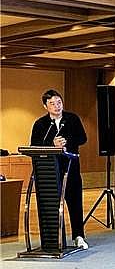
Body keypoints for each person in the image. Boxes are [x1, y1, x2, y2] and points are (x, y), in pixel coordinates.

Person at [30, 89, 89, 250]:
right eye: (52, 103)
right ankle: (55, 239)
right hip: (49, 172)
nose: (57, 106)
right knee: (52, 206)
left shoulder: (72, 119)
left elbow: (83, 138)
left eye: (59, 102)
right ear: (45, 106)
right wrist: (52, 144)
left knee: (75, 203)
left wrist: (66, 141)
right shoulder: (40, 124)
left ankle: (78, 236)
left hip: (70, 169)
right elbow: (34, 146)